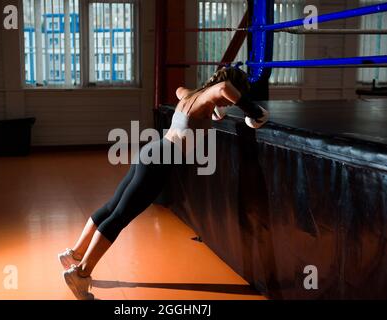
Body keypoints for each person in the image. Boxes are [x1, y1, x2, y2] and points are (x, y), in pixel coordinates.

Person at [58, 66, 269, 300]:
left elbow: (180, 90)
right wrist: (252, 111)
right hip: (160, 160)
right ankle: (81, 273)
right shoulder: (214, 92)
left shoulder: (192, 95)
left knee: (112, 207)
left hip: (151, 151)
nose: (230, 102)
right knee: (120, 216)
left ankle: (75, 254)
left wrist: (214, 108)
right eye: (233, 97)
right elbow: (222, 88)